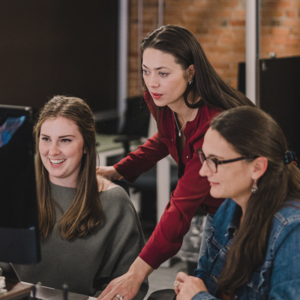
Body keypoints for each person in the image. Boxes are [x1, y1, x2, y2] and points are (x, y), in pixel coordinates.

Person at [97, 25, 255, 300]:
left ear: (190, 72)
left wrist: (135, 275)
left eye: (163, 73)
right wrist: (118, 170)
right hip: (217, 216)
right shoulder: (164, 101)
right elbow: (164, 139)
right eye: (146, 71)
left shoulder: (213, 124)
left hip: (248, 219)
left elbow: (179, 208)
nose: (152, 82)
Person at [14, 96, 148, 299]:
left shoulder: (114, 203)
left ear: (86, 145)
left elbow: (130, 287)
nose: (52, 151)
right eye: (46, 139)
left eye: (65, 140)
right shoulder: (19, 192)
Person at [174, 106, 300, 300]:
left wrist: (197, 297)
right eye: (204, 158)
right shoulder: (228, 208)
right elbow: (205, 278)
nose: (203, 171)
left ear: (257, 167)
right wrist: (188, 288)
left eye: (215, 161)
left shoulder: (292, 230)